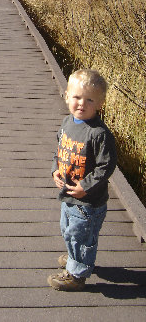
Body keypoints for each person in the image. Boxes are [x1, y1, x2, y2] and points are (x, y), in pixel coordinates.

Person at [48, 68, 117, 291]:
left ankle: (77, 273)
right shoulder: (68, 122)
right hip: (68, 195)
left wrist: (85, 187)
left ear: (100, 104)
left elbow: (105, 166)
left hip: (88, 201)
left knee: (82, 235)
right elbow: (60, 151)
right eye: (76, 97)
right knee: (68, 229)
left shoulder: (99, 134)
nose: (81, 103)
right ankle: (74, 256)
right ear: (67, 96)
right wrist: (56, 170)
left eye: (89, 100)